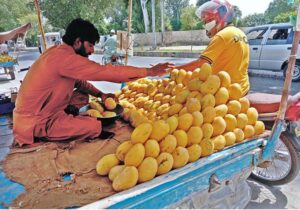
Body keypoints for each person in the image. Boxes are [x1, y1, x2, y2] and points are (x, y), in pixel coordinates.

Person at [13, 18, 172, 146]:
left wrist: (101, 94)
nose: (92, 51)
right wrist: (149, 72)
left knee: (83, 96)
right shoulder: (64, 58)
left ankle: (67, 118)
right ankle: (59, 129)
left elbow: (80, 83)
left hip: (46, 108)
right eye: (90, 45)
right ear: (77, 42)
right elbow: (106, 72)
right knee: (92, 126)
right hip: (35, 122)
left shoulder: (58, 52)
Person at [176, 0, 250, 95]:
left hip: (226, 92)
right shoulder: (240, 33)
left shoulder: (222, 36)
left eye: (208, 21)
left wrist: (174, 70)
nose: (206, 25)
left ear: (220, 18)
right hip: (242, 87)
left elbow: (201, 64)